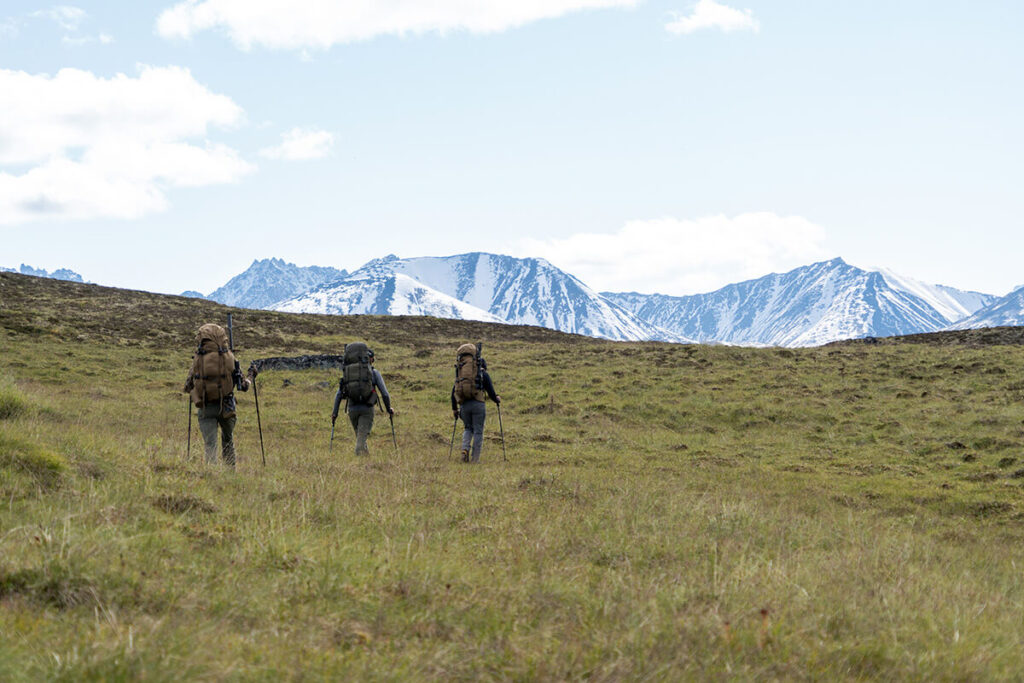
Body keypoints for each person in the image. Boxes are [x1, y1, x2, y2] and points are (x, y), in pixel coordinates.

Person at [183, 323, 255, 468]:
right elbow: (244, 386)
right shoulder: (230, 359)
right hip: (227, 407)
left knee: (210, 445)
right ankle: (230, 474)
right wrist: (251, 376)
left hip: (205, 406)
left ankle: (212, 475)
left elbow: (187, 386)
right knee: (228, 441)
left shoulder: (198, 360)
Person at [332, 345, 395, 456]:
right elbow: (384, 393)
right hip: (366, 410)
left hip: (352, 410)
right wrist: (388, 408)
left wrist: (334, 413)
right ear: (371, 359)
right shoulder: (374, 373)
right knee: (360, 444)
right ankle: (360, 463)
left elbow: (339, 394)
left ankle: (366, 464)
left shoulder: (349, 373)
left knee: (360, 438)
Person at [450, 343, 500, 464]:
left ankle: (464, 450)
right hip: (478, 404)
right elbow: (491, 392)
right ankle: (475, 459)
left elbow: (453, 392)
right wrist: (497, 399)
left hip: (464, 405)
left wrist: (454, 409)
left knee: (468, 428)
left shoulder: (460, 373)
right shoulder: (483, 374)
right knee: (478, 431)